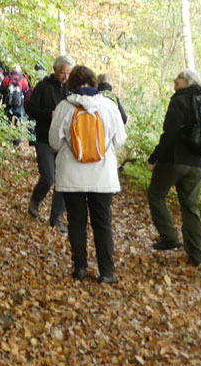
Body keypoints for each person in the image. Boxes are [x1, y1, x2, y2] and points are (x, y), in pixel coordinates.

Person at [49, 65, 127, 282]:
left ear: (71, 84)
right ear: (94, 83)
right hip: (102, 176)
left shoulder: (65, 107)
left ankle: (80, 268)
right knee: (102, 222)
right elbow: (120, 140)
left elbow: (54, 142)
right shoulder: (109, 106)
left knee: (76, 221)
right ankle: (107, 272)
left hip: (71, 176)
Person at [147, 69, 201, 267]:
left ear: (187, 82)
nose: (175, 80)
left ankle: (170, 236)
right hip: (197, 165)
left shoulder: (179, 101)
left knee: (156, 195)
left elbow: (170, 133)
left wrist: (155, 156)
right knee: (190, 208)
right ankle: (197, 255)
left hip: (173, 160)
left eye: (179, 78)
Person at [25, 55, 74, 233]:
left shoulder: (71, 90)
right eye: (63, 73)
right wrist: (49, 114)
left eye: (69, 73)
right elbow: (29, 108)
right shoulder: (43, 86)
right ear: (55, 70)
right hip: (45, 139)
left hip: (65, 142)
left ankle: (56, 217)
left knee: (63, 180)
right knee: (48, 177)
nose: (66, 77)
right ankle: (36, 200)